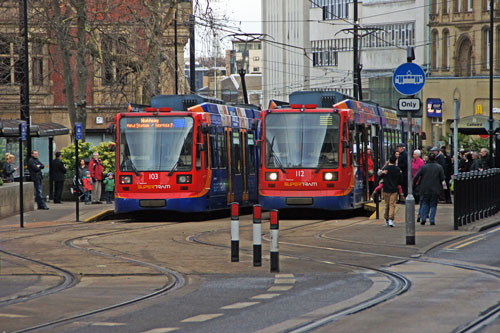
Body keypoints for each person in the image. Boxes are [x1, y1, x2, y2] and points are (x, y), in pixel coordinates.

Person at [413, 152, 445, 226]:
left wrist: (414, 185)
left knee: (425, 203)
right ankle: (432, 220)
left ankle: (423, 218)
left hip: (425, 188)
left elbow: (416, 176)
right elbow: (442, 178)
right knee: (433, 204)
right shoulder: (439, 167)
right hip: (435, 188)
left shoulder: (424, 167)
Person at [380, 155, 401, 227]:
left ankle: (386, 219)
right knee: (392, 205)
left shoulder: (386, 169)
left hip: (386, 189)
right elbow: (400, 179)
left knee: (387, 205)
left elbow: (379, 177)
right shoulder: (397, 169)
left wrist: (383, 171)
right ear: (395, 161)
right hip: (394, 189)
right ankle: (391, 219)